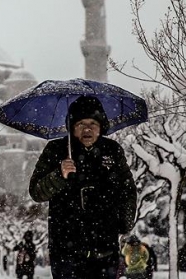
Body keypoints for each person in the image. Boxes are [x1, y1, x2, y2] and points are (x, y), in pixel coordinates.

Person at [29, 95, 137, 279]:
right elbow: (36, 192)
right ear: (72, 127)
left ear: (101, 126)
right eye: (81, 124)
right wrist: (59, 175)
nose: (87, 129)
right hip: (66, 250)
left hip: (105, 249)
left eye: (93, 123)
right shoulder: (56, 150)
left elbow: (128, 190)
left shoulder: (112, 150)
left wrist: (124, 224)